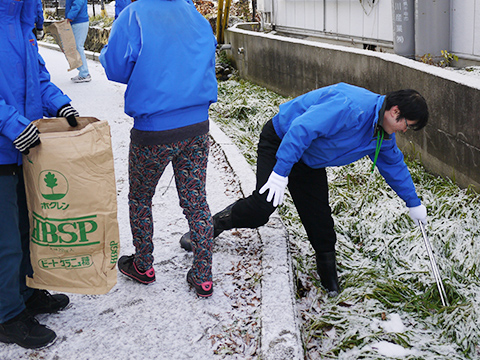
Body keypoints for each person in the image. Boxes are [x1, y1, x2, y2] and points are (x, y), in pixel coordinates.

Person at [180, 82, 429, 297]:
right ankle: (212, 226)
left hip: (310, 160)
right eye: (408, 124)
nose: (406, 130)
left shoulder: (381, 135)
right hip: (282, 140)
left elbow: (394, 166)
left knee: (319, 218)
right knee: (262, 207)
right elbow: (301, 130)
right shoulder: (350, 106)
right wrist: (280, 173)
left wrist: (413, 203)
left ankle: (329, 276)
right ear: (395, 112)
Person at [99, 0, 218, 297]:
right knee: (196, 200)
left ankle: (143, 264)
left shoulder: (134, 15)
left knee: (140, 196)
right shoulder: (196, 15)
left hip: (153, 129)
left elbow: (115, 69)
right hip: (196, 126)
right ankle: (203, 276)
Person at [0, 0, 80, 349]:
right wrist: (9, 123)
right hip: (6, 144)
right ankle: (6, 316)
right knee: (5, 243)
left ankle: (26, 296)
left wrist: (59, 103)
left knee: (25, 230)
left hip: (23, 149)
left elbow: (38, 78)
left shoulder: (22, 19)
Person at [65, 0, 91, 83]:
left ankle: (84, 73)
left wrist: (70, 16)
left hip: (79, 21)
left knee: (78, 47)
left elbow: (78, 3)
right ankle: (83, 72)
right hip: (77, 21)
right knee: (76, 47)